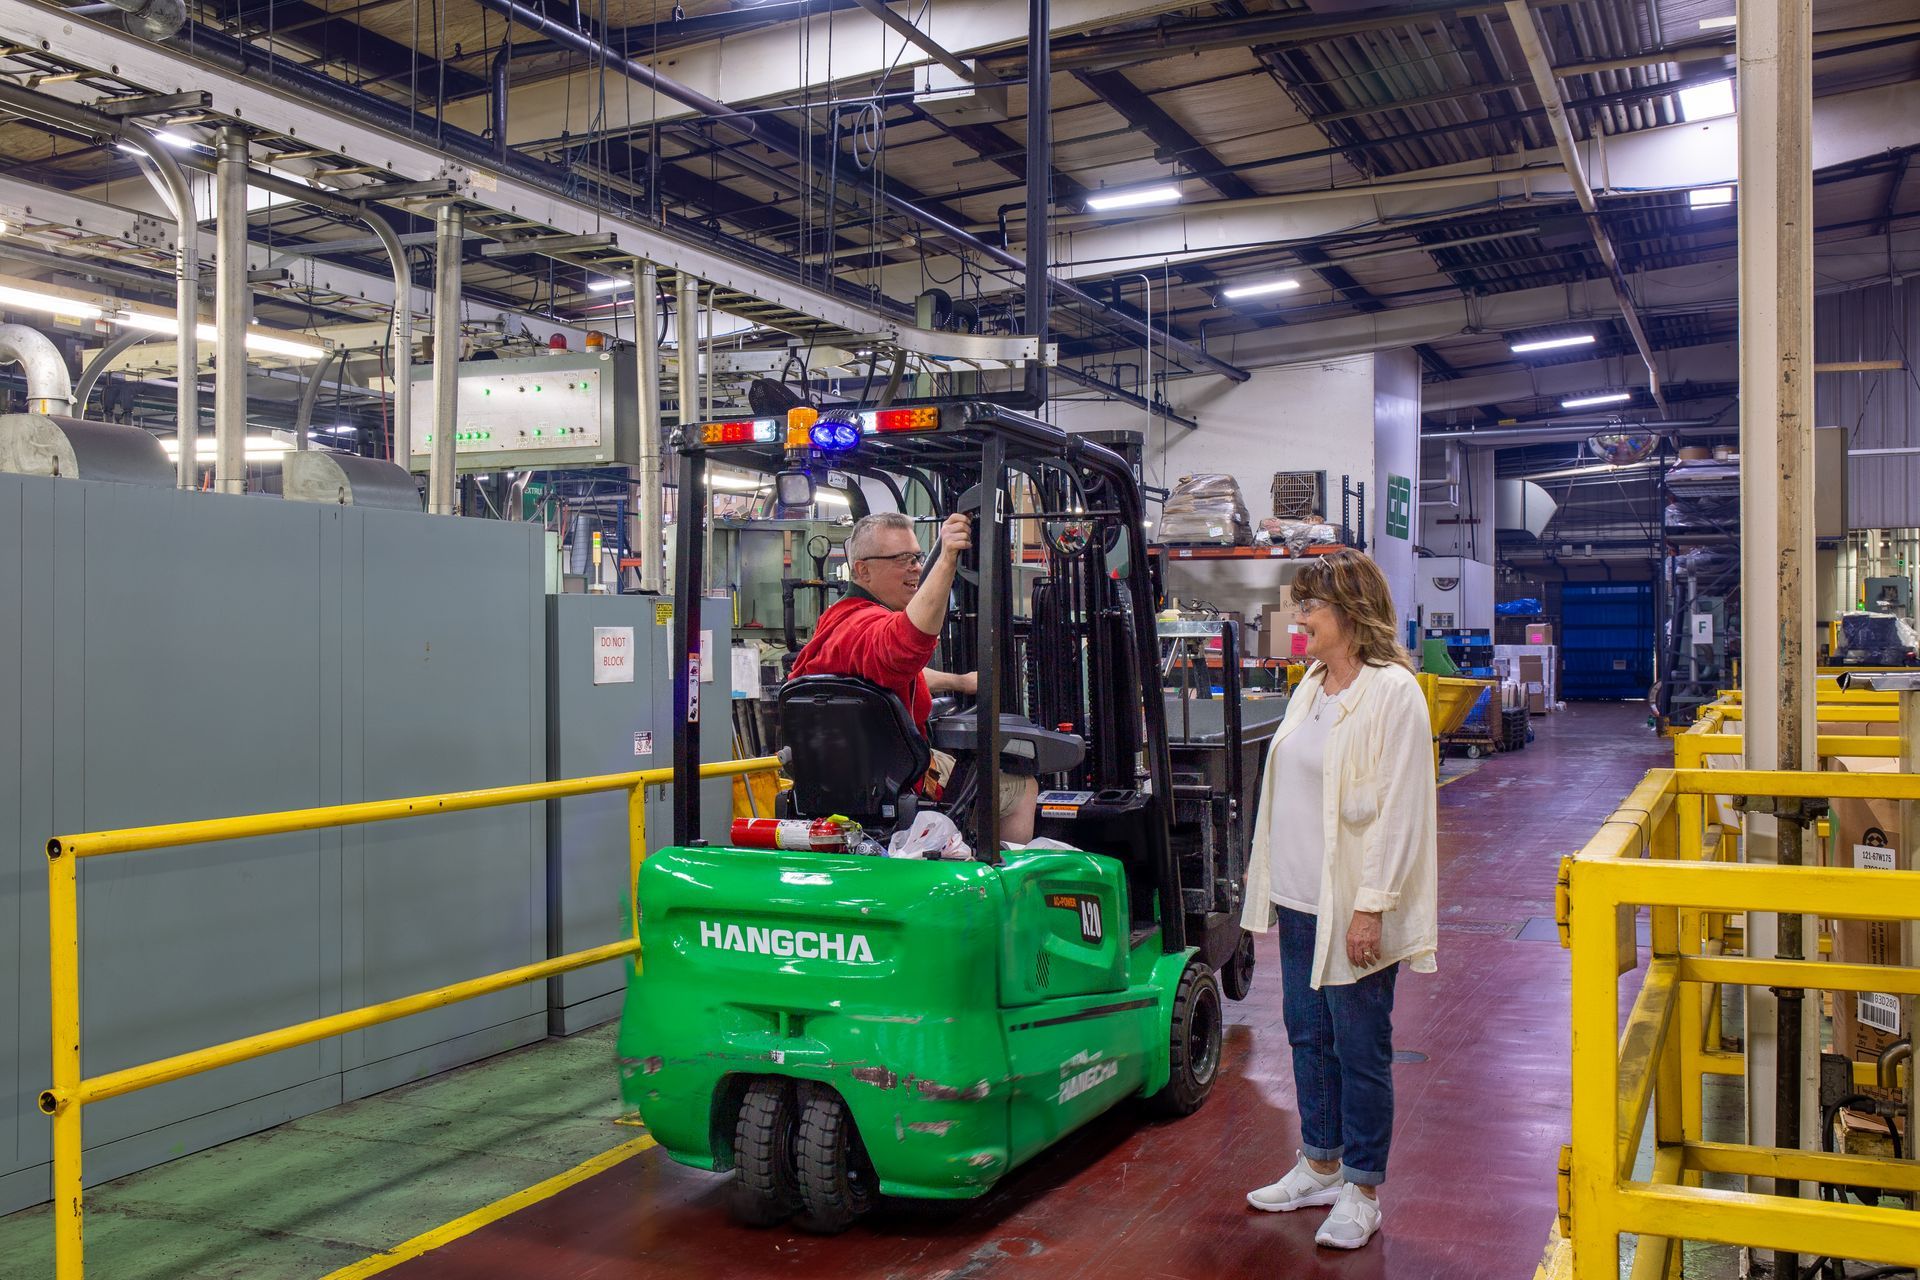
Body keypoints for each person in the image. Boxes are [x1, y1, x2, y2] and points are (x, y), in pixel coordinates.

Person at [1240, 549, 1437, 1250]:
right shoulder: (1311, 686)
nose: (1299, 619)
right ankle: (1319, 1162)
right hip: (1299, 900)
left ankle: (1361, 1187)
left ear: (1350, 615)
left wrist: (1371, 905)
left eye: (1310, 607)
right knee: (1307, 1035)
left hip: (1352, 904)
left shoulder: (1392, 693)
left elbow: (1401, 811)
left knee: (1360, 1046)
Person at [788, 510, 1039, 844]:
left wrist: (959, 681)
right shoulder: (867, 625)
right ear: (863, 570)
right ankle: (1003, 877)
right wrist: (947, 560)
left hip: (843, 783)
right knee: (1022, 785)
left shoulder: (838, 627)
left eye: (918, 557)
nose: (916, 567)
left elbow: (895, 672)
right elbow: (904, 646)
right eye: (901, 559)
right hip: (901, 783)